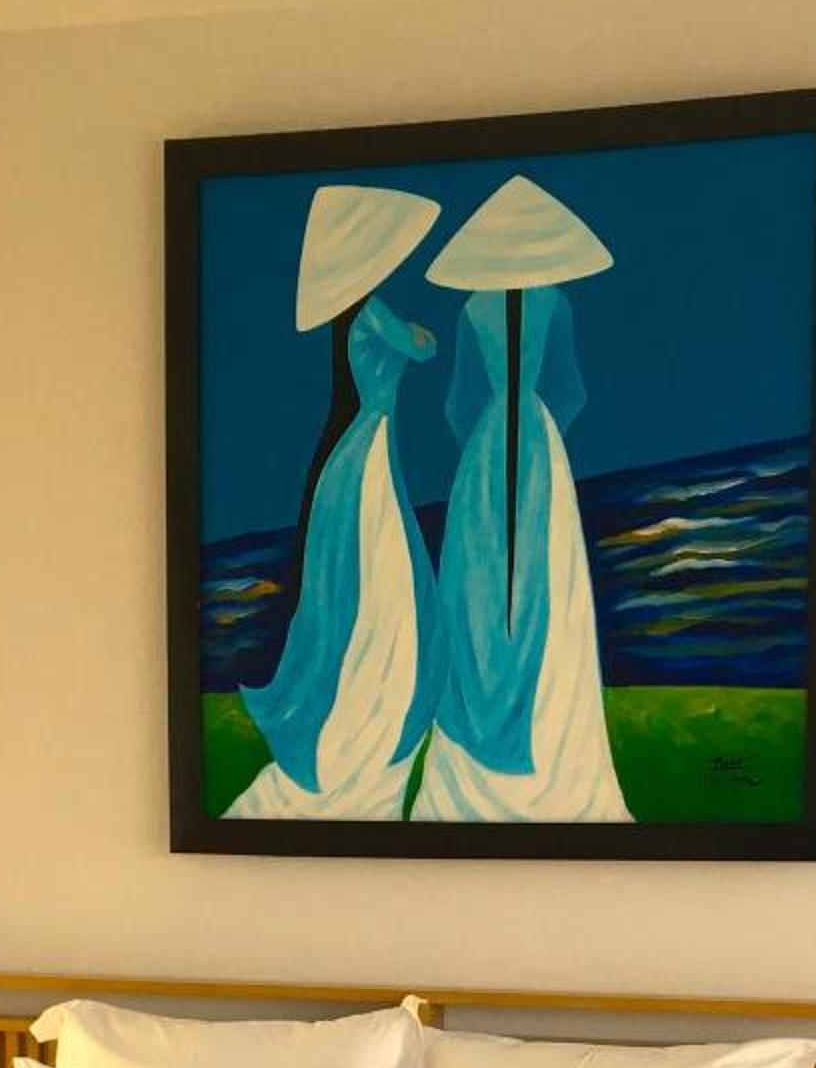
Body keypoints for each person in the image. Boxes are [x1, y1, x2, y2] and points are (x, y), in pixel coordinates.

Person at [403, 176, 631, 824]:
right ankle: (544, 737)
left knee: (476, 588)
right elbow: (571, 390)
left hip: (483, 449)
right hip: (538, 442)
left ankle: (477, 744)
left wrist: (485, 441)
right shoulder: (555, 302)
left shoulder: (472, 309)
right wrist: (540, 432)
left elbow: (459, 403)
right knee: (543, 581)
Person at [224, 184, 441, 821]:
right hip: (366, 451)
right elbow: (422, 346)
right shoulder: (371, 309)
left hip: (363, 445)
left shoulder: (354, 313)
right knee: (378, 570)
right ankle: (368, 696)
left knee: (366, 574)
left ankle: (372, 686)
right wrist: (418, 334)